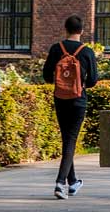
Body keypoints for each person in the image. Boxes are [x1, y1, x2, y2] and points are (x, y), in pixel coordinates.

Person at [42, 15, 99, 199]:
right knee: (71, 139)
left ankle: (73, 182)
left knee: (67, 139)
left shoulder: (56, 48)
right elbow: (93, 80)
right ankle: (60, 183)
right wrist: (80, 84)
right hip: (78, 100)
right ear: (82, 30)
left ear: (65, 29)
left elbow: (47, 76)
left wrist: (61, 82)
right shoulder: (87, 52)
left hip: (60, 98)